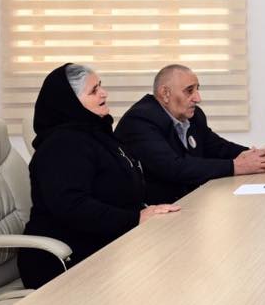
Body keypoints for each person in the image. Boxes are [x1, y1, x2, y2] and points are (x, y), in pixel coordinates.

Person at [19, 63, 180, 290]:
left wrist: (153, 209)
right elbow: (73, 207)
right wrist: (135, 218)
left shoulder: (97, 133)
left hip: (104, 243)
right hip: (64, 260)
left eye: (100, 86)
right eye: (94, 91)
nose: (104, 93)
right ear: (71, 102)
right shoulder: (61, 146)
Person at [116, 64, 265, 204]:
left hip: (188, 204)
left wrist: (255, 156)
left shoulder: (193, 115)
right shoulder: (140, 120)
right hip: (151, 214)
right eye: (189, 91)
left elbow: (216, 147)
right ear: (165, 93)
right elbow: (174, 168)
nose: (198, 98)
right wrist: (236, 166)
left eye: (197, 89)